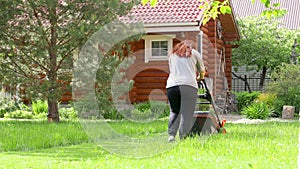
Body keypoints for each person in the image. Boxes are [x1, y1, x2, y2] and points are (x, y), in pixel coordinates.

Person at [166, 40, 205, 142]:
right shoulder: (195, 53)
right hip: (189, 85)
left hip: (172, 86)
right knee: (187, 113)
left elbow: (172, 70)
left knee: (174, 111)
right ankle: (183, 136)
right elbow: (202, 70)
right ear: (191, 47)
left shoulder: (172, 55)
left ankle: (171, 135)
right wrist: (200, 77)